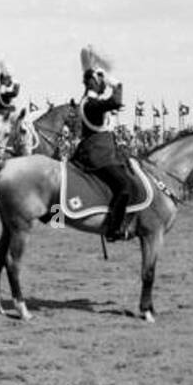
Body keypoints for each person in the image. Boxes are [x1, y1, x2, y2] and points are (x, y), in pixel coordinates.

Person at [70, 46, 135, 241]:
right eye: (101, 81)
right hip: (98, 155)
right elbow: (115, 101)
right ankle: (113, 230)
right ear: (93, 82)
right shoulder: (91, 104)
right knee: (124, 187)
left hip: (103, 151)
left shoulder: (92, 101)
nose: (104, 85)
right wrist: (117, 84)